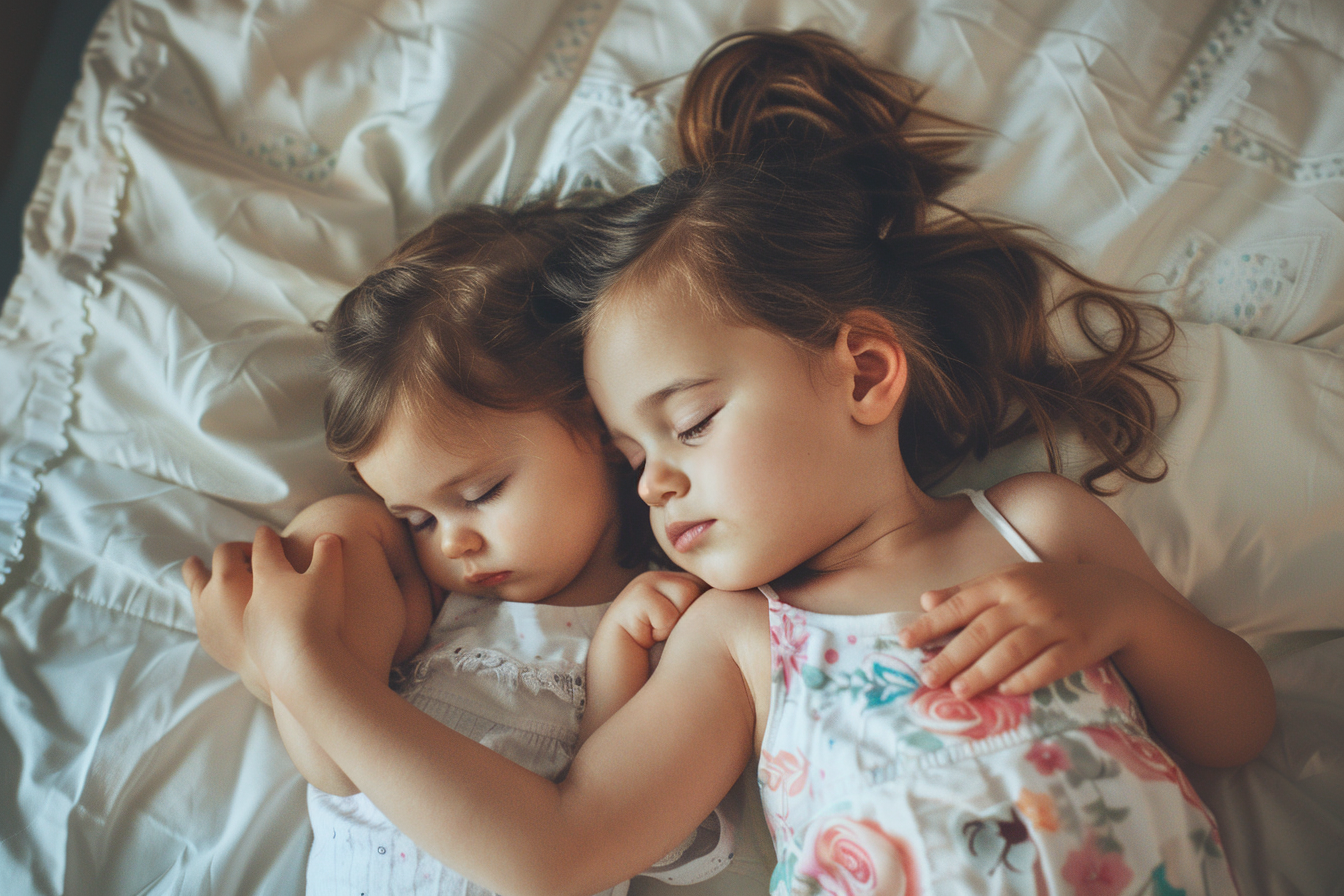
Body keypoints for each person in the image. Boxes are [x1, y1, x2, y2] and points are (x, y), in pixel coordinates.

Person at [229, 30, 1275, 896]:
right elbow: (552, 848)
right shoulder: (734, 639)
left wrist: (1124, 614)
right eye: (631, 453)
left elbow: (1240, 724)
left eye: (688, 423)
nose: (652, 482)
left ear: (863, 371)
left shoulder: (1039, 530)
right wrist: (313, 670)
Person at [182, 202, 733, 895]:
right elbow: (336, 765)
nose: (453, 542)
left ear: (595, 423)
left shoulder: (669, 612)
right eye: (416, 519)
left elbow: (630, 830)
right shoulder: (430, 608)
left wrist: (620, 657)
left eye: (480, 493)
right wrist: (269, 663)